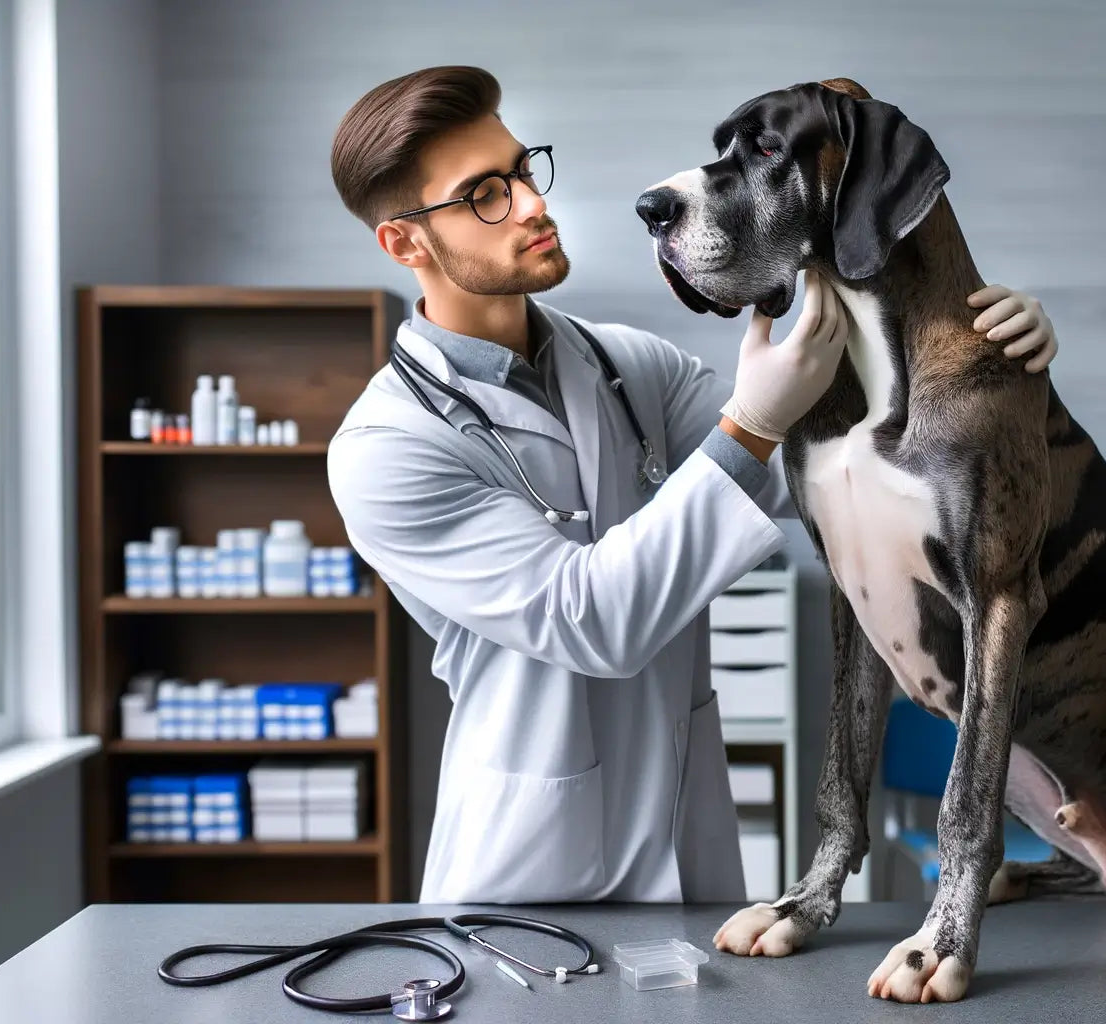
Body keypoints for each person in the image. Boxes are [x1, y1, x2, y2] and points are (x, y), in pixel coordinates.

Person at [325, 65, 1063, 905]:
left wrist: (978, 353)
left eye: (525, 169)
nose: (531, 204)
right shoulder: (385, 449)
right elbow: (592, 620)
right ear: (405, 243)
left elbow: (838, 487)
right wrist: (749, 423)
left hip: (689, 847)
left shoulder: (627, 366)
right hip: (526, 877)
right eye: (485, 194)